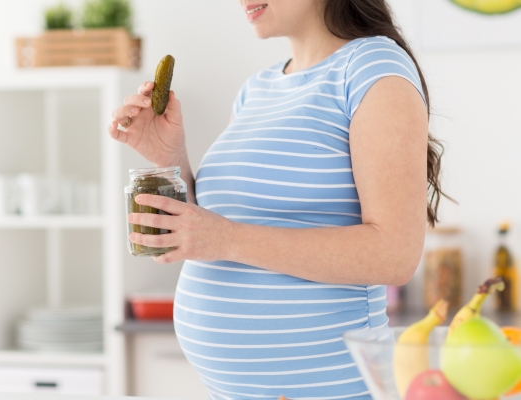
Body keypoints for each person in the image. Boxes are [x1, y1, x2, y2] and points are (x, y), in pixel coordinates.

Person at [109, 0, 446, 398]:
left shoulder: (373, 69)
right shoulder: (257, 89)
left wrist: (226, 238)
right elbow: (220, 225)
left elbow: (395, 253)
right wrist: (170, 157)